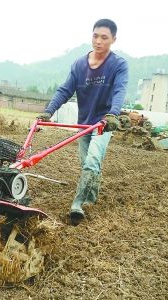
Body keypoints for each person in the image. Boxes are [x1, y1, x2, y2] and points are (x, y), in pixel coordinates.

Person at [37, 18, 128, 224]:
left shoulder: (118, 65)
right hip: (84, 123)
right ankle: (92, 196)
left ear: (113, 39)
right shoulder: (79, 64)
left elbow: (120, 90)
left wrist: (113, 114)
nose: (98, 41)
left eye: (104, 37)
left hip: (104, 124)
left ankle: (77, 204)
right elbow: (65, 90)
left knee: (92, 162)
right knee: (86, 163)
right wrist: (48, 111)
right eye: (95, 36)